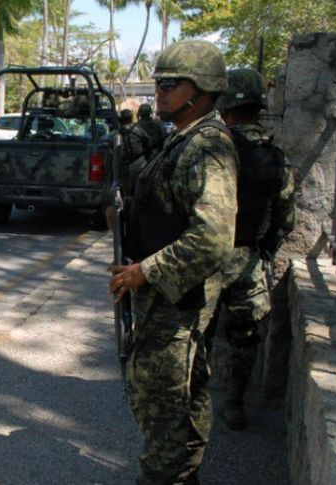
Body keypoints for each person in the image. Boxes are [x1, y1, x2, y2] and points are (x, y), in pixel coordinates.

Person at [108, 39, 238, 485]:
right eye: (158, 83)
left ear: (200, 91)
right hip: (167, 297)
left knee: (163, 406)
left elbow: (214, 237)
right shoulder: (180, 140)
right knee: (183, 398)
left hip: (175, 301)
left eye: (169, 84)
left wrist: (146, 271)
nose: (159, 91)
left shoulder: (206, 147)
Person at [207, 67, 296, 431]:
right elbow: (286, 217)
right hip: (248, 262)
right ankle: (234, 404)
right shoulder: (275, 157)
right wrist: (263, 249)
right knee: (244, 339)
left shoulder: (210, 151)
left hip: (205, 260)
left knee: (199, 331)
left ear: (225, 105)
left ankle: (194, 401)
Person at [119, 108, 153, 195]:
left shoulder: (116, 133)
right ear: (131, 119)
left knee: (125, 190)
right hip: (139, 163)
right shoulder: (137, 130)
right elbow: (148, 142)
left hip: (123, 165)